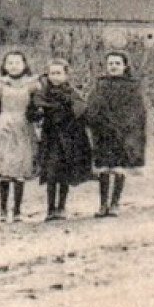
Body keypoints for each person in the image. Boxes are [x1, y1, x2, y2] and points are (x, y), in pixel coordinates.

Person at [0, 50, 39, 223]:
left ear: (24, 65)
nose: (13, 66)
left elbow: (39, 104)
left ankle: (17, 211)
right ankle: (3, 210)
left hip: (24, 127)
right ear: (4, 65)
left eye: (17, 62)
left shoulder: (32, 84)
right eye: (10, 63)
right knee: (4, 169)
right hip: (4, 126)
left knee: (20, 168)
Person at [29, 58, 92, 222]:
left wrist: (69, 108)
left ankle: (61, 207)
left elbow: (80, 110)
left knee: (64, 171)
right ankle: (50, 208)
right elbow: (33, 112)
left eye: (58, 73)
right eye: (52, 73)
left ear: (66, 75)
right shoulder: (42, 93)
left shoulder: (71, 93)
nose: (55, 77)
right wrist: (38, 112)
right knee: (50, 172)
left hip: (68, 137)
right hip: (50, 137)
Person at [85, 51, 147, 217]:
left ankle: (115, 203)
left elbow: (137, 110)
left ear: (125, 66)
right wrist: (93, 120)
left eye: (117, 63)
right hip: (103, 133)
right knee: (104, 169)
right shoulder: (101, 84)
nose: (113, 66)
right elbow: (92, 105)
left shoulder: (132, 85)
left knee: (119, 168)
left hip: (123, 133)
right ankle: (102, 204)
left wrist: (127, 127)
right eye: (110, 63)